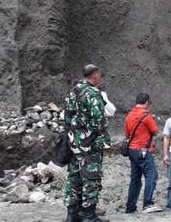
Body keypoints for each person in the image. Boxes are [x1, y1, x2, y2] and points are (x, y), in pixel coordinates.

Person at [64, 64, 110, 222]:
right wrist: (103, 140)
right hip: (89, 145)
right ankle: (89, 215)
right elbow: (99, 120)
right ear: (95, 75)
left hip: (74, 143)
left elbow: (67, 118)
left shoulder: (72, 92)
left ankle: (72, 215)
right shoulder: (92, 93)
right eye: (99, 75)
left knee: (74, 178)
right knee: (91, 178)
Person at [124, 93, 163, 214]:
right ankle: (147, 204)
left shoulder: (129, 115)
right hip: (143, 150)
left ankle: (130, 207)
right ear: (146, 102)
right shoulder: (146, 115)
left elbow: (127, 134)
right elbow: (155, 131)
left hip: (132, 150)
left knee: (135, 179)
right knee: (152, 175)